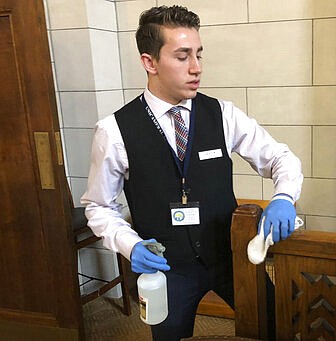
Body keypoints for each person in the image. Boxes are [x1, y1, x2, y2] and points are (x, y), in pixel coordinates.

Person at [81, 5, 303, 341]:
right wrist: (130, 244)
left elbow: (281, 158)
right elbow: (98, 206)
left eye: (199, 54)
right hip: (168, 267)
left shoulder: (222, 114)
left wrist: (284, 197)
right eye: (183, 56)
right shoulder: (114, 131)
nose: (196, 68)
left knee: (278, 324)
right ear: (150, 62)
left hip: (231, 255)